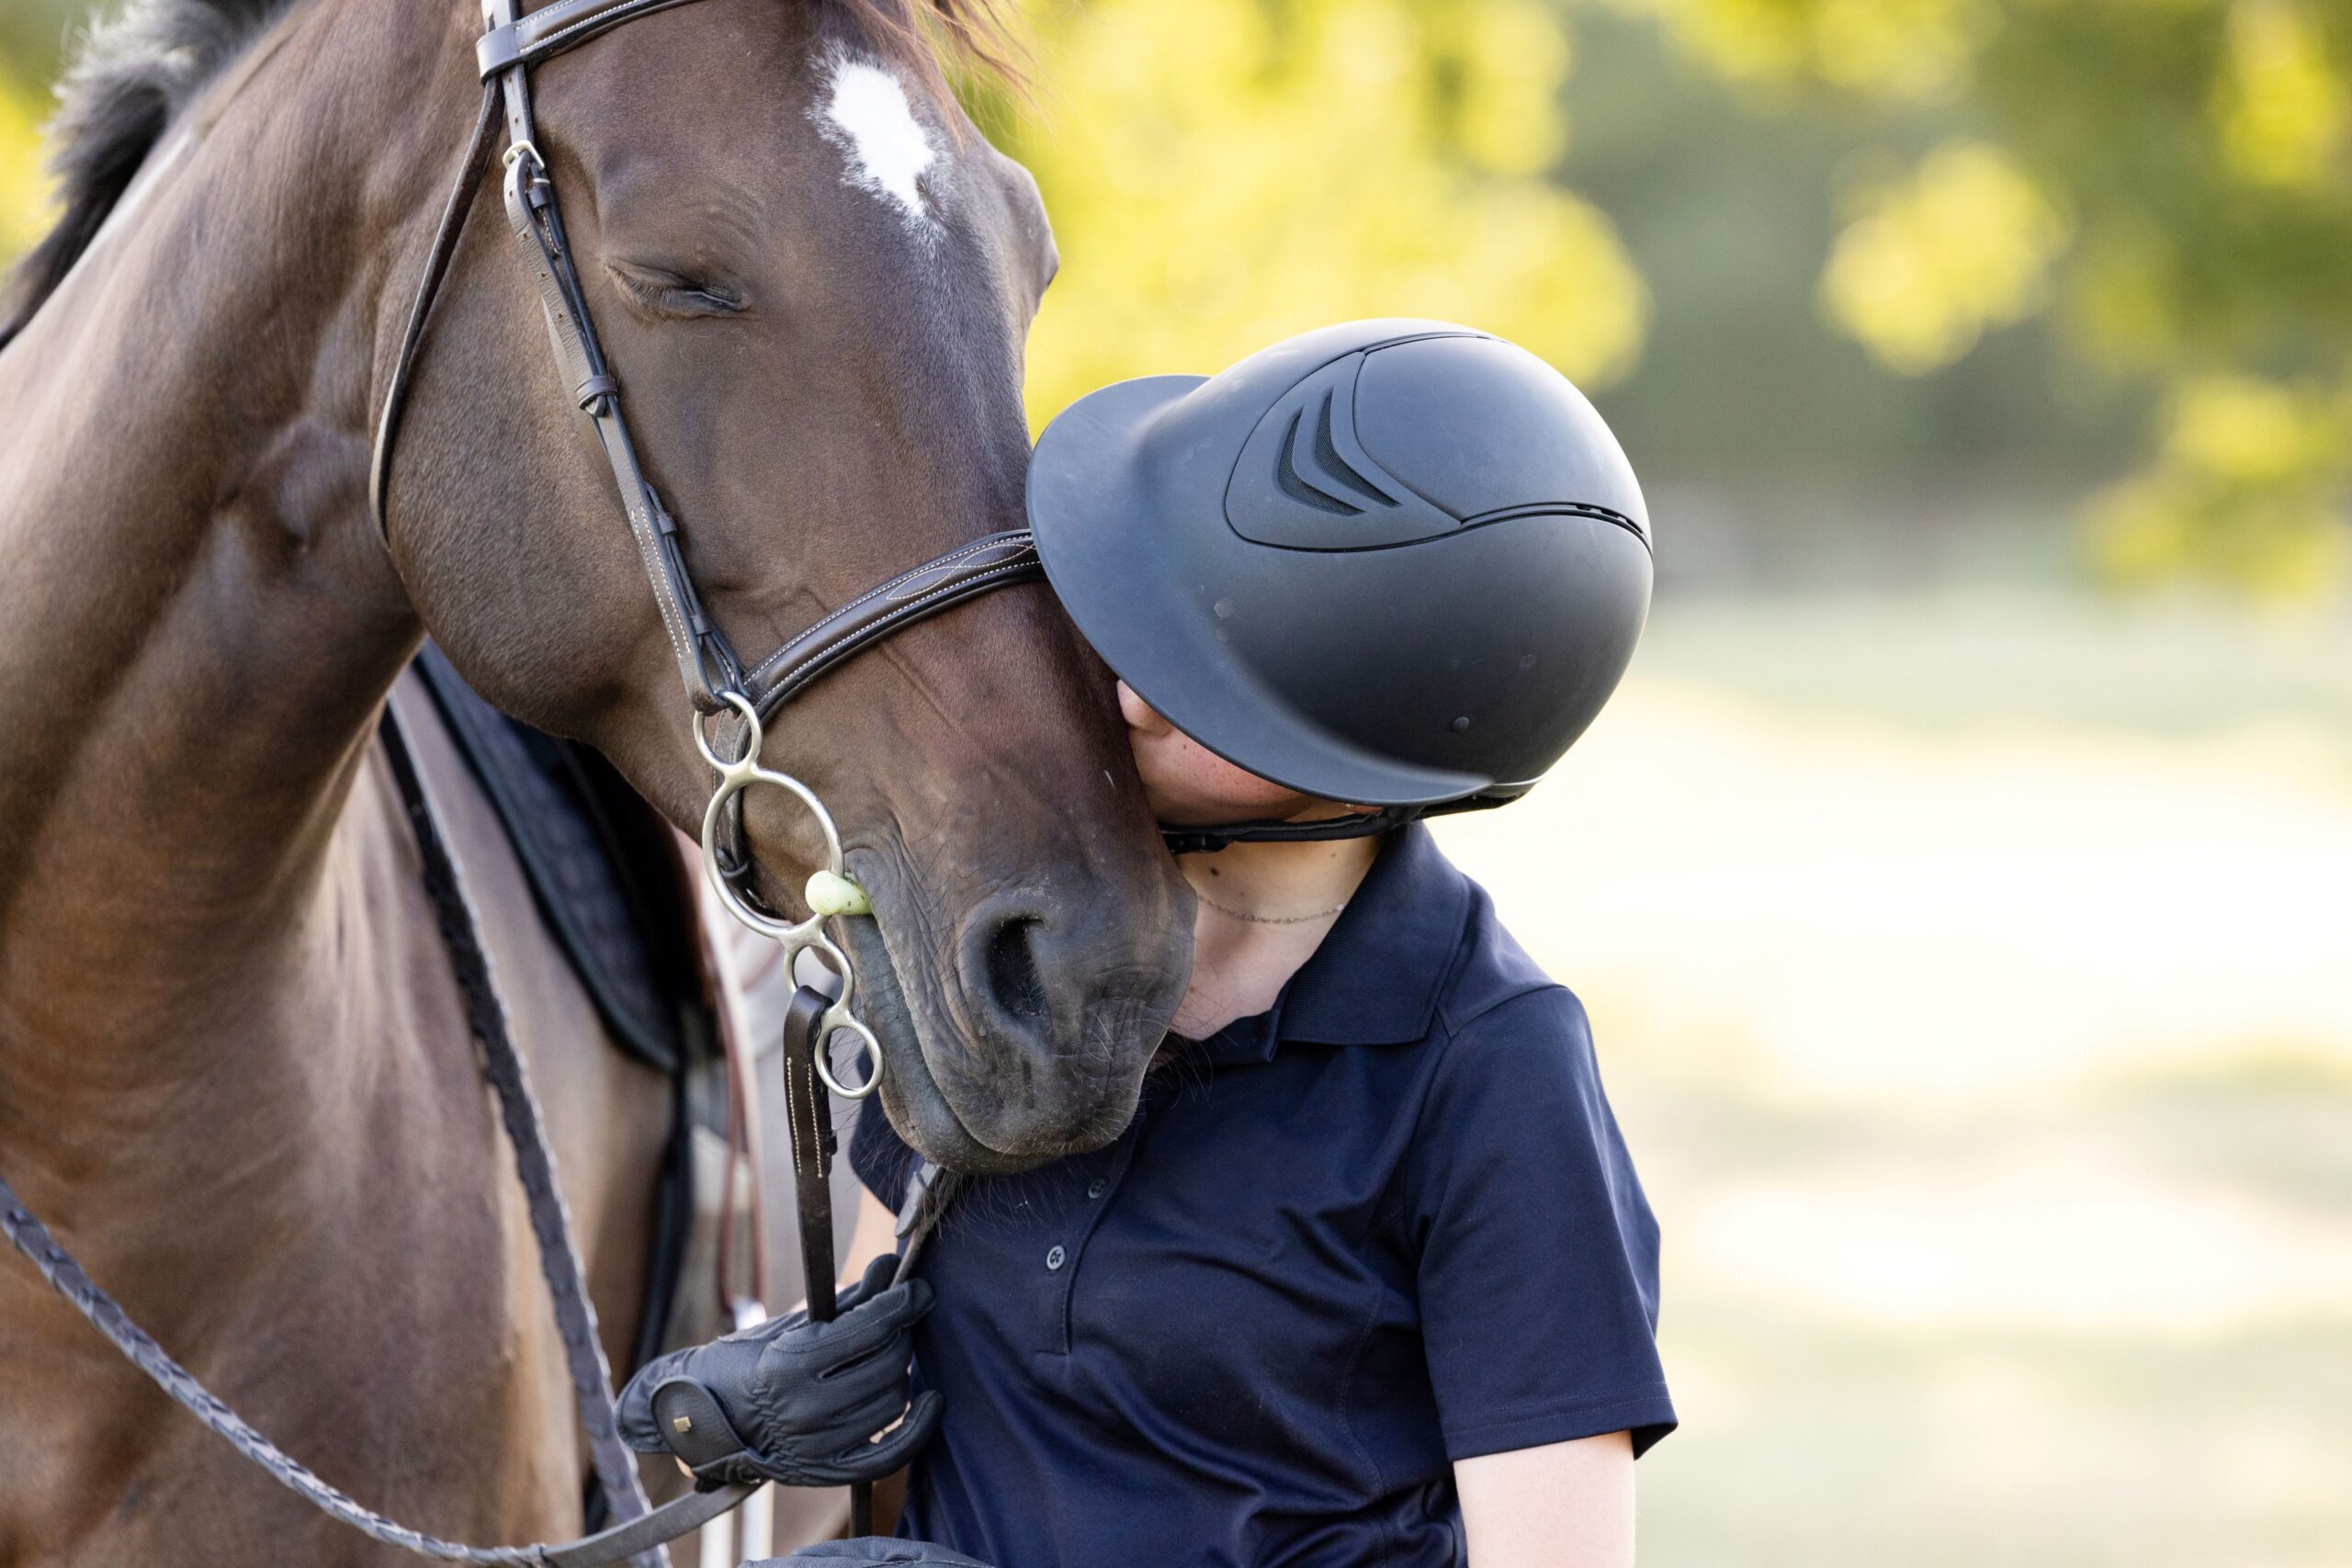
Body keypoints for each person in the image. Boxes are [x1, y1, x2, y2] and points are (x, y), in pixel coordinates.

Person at [620, 321, 1672, 1568]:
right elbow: (884, 1461)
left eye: (1192, 672)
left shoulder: (1486, 1069)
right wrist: (767, 1428)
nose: (1120, 692)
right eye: (1122, 622)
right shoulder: (992, 964)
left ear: (1363, 743)